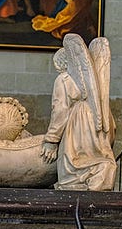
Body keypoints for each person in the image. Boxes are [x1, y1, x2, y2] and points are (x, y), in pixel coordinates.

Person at [41, 34, 116, 191]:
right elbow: (112, 127)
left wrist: (52, 140)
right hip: (97, 117)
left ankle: (74, 186)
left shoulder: (63, 79)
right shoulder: (93, 85)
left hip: (78, 123)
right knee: (97, 157)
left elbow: (60, 110)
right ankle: (97, 179)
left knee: (73, 161)